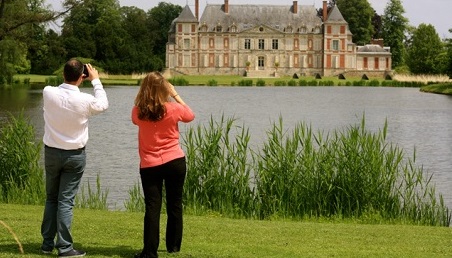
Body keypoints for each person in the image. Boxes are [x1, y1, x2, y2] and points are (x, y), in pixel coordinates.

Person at [40, 58, 109, 257]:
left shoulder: (48, 92)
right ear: (82, 77)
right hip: (74, 156)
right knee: (65, 201)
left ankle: (46, 244)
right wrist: (95, 80)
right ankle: (64, 247)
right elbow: (103, 104)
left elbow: (61, 87)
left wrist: (77, 78)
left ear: (63, 74)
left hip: (52, 153)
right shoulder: (86, 100)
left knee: (51, 198)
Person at [132, 72, 195, 258]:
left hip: (150, 164)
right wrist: (175, 94)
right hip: (175, 160)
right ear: (164, 89)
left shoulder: (138, 111)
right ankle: (173, 246)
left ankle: (150, 251)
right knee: (175, 203)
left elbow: (137, 119)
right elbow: (190, 115)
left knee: (152, 207)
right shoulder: (174, 109)